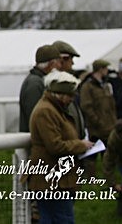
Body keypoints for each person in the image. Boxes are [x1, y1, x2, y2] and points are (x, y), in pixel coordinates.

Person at [26, 71, 94, 223]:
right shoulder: (46, 111)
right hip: (52, 179)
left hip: (53, 178)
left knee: (52, 218)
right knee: (62, 219)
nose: (71, 99)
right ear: (60, 94)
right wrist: (81, 145)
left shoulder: (52, 109)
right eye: (70, 95)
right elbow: (55, 145)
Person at [19, 44, 61, 132]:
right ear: (51, 64)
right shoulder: (35, 84)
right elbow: (36, 116)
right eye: (59, 62)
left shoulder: (38, 81)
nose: (60, 66)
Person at [52, 40, 87, 140]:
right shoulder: (52, 84)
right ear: (62, 59)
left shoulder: (67, 81)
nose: (72, 62)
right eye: (70, 58)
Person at [80, 59, 117, 144]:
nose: (107, 70)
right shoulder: (87, 87)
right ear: (100, 69)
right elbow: (86, 107)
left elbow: (112, 104)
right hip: (96, 131)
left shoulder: (106, 85)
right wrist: (98, 122)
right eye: (106, 68)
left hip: (110, 128)